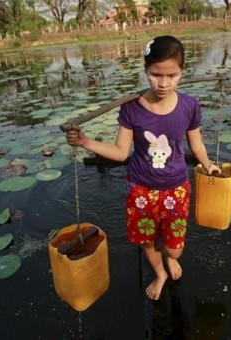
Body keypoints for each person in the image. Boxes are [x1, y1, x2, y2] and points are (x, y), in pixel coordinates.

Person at [66, 35, 221, 301]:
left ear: (182, 71)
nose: (163, 83)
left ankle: (170, 259)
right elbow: (120, 152)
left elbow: (196, 146)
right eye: (156, 75)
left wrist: (208, 164)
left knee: (175, 249)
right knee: (148, 240)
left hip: (176, 189)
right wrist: (84, 141)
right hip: (140, 190)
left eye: (171, 75)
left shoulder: (189, 106)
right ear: (145, 70)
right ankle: (159, 272)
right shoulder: (132, 108)